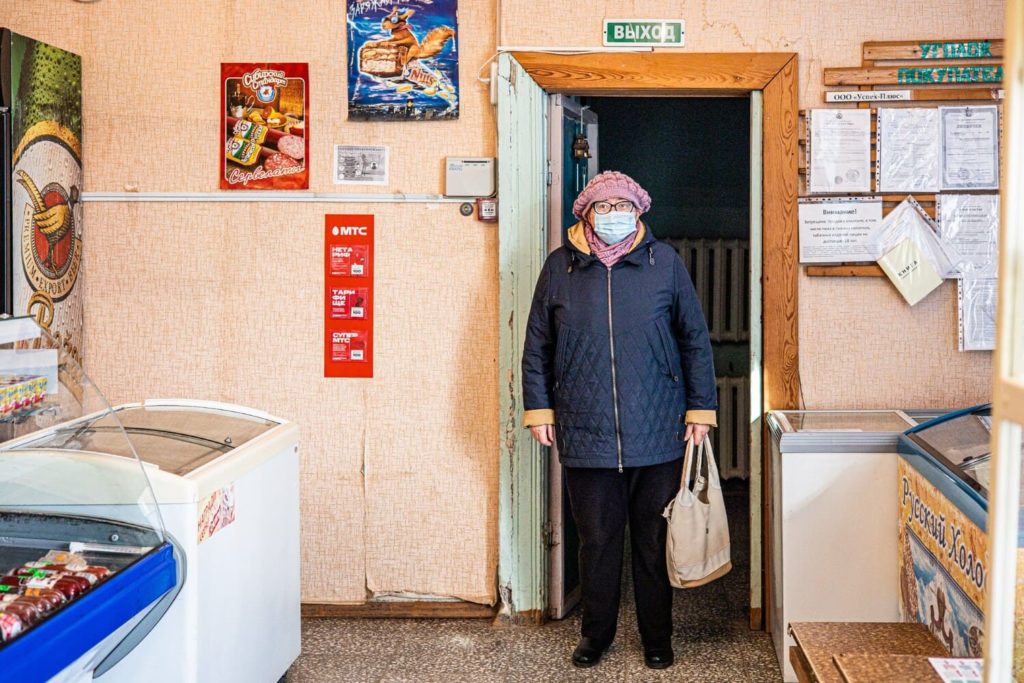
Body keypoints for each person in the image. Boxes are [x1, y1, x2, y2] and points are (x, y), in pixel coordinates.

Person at [521, 171, 717, 670]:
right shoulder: (560, 266)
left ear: (639, 211)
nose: (615, 214)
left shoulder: (664, 262)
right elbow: (537, 345)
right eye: (604, 206)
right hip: (585, 428)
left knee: (652, 542)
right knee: (597, 542)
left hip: (659, 428)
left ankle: (657, 637)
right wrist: (539, 408)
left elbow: (694, 339)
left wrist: (701, 409)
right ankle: (596, 635)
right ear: (586, 214)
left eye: (623, 205)